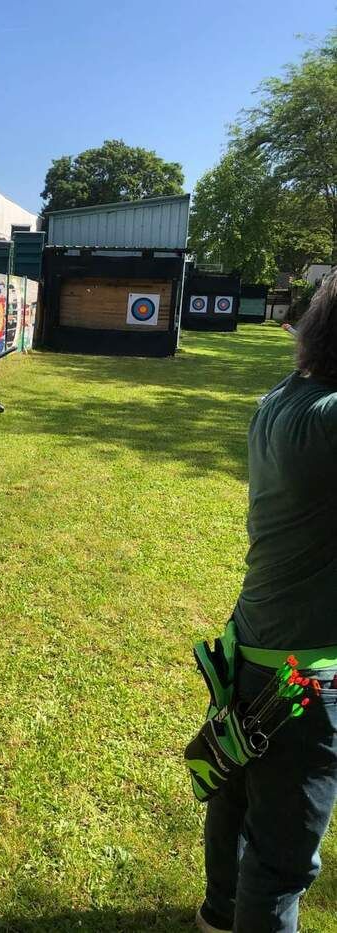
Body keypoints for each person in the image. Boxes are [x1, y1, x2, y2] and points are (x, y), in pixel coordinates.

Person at [197, 272, 337, 933]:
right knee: (281, 861)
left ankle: (221, 913)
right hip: (309, 670)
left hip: (253, 642)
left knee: (236, 790)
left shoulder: (279, 398)